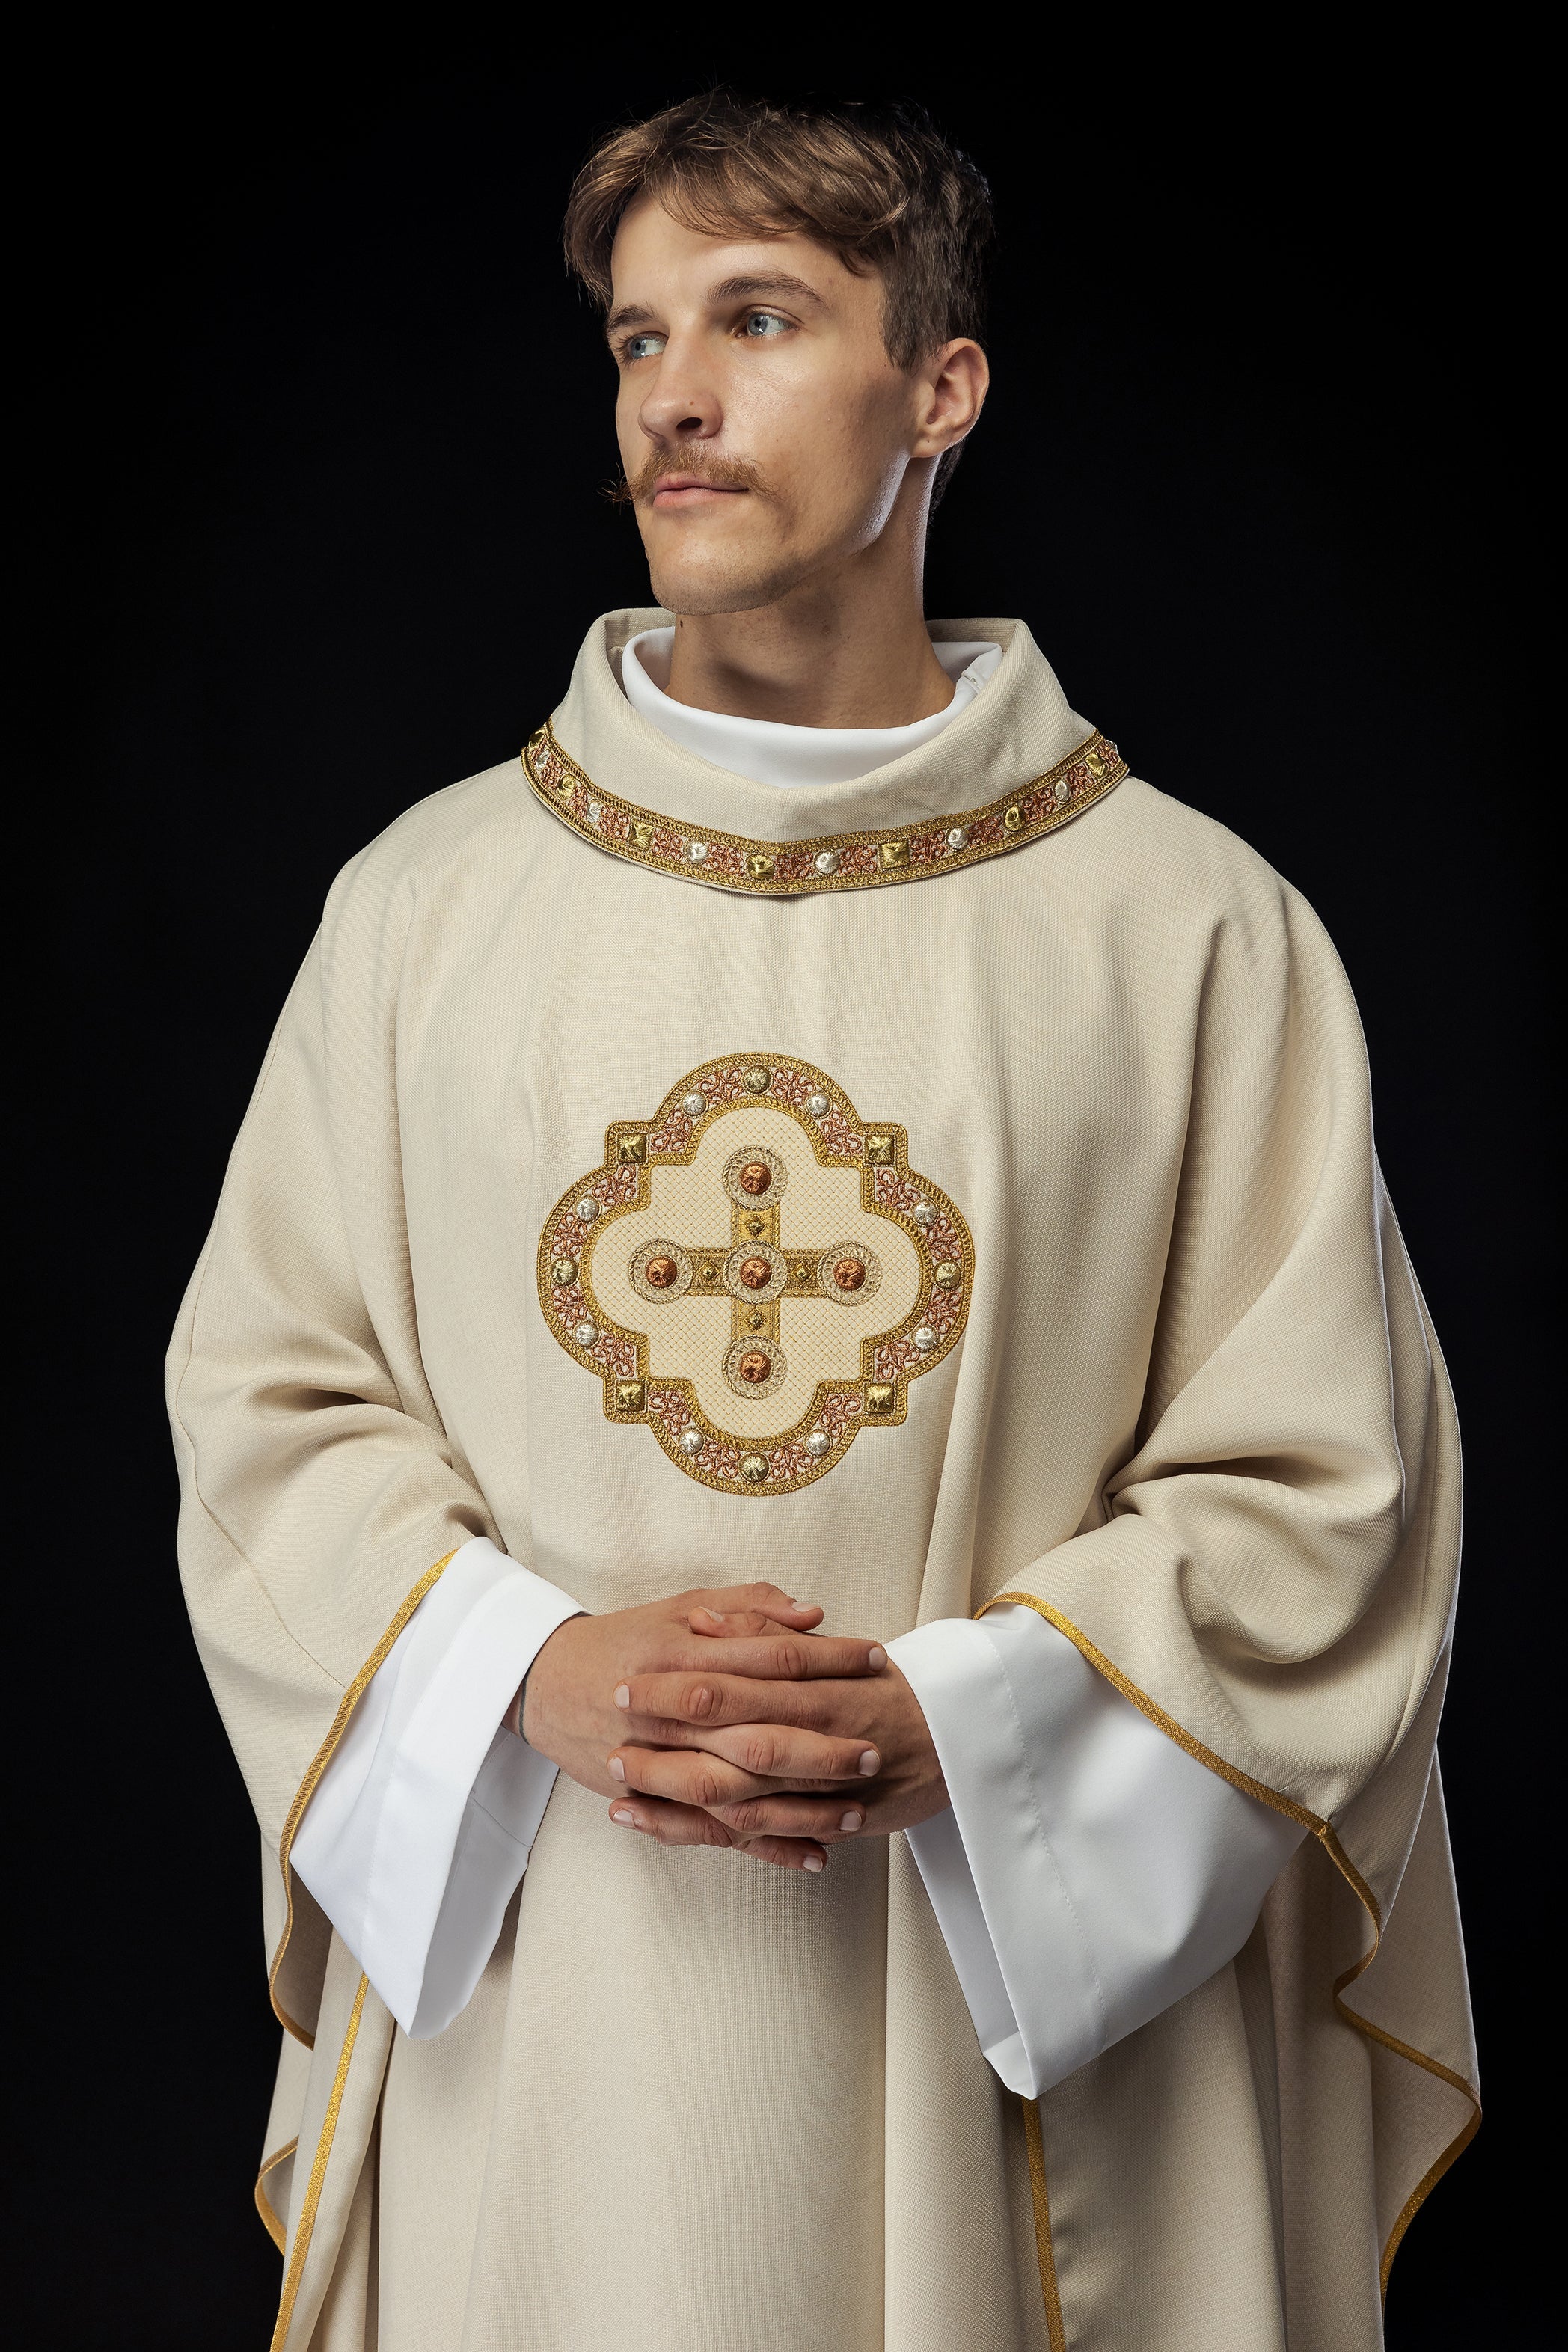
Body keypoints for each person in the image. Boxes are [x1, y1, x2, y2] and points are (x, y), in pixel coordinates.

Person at [170, 92, 1477, 2352]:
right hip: (563, 1986)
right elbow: (271, 1409)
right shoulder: (420, 912)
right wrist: (537, 1673)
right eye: (635, 335)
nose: (670, 394)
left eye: (758, 320)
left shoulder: (1193, 934)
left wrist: (966, 1728)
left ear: (940, 388)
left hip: (1026, 2031)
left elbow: (1324, 1495)